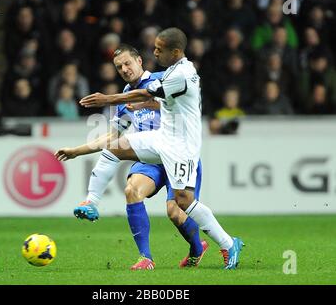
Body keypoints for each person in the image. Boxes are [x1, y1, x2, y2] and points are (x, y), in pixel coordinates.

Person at [56, 28, 244, 269]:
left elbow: (152, 97)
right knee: (122, 167)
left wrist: (108, 99)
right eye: (119, 67)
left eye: (127, 63)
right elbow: (113, 134)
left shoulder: (169, 76)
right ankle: (94, 205)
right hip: (158, 144)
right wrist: (76, 150)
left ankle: (214, 245)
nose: (124, 69)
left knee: (179, 208)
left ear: (138, 61)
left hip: (179, 149)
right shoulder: (133, 91)